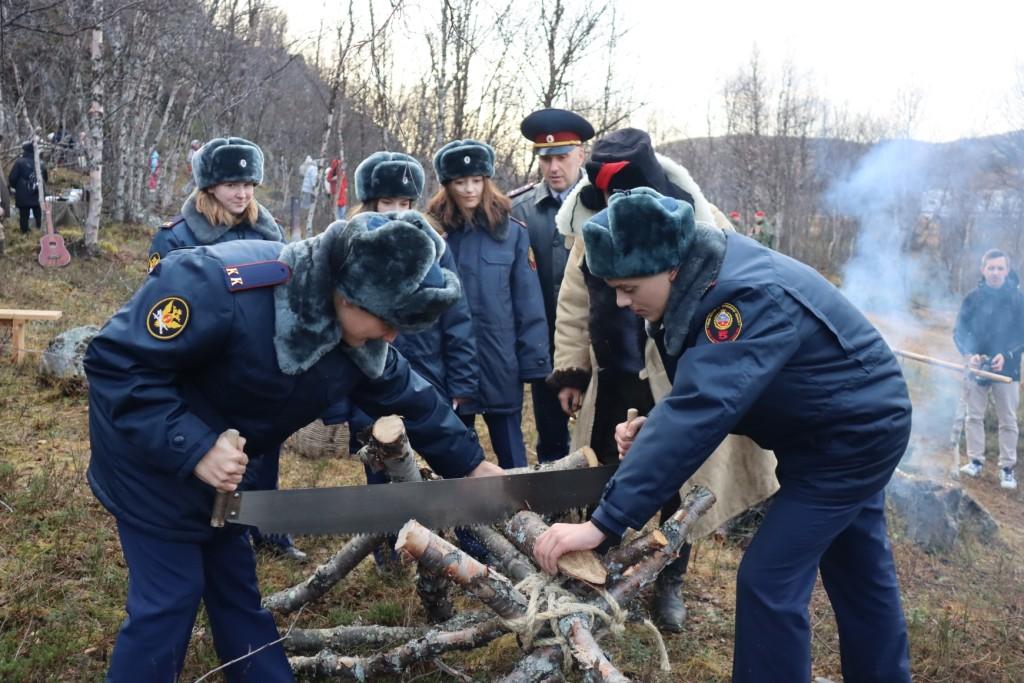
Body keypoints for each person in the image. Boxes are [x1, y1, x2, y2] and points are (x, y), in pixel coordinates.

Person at [84, 212, 504, 682]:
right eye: (387, 321)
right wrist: (196, 447)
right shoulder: (215, 285)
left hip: (228, 471)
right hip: (148, 460)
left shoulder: (358, 331)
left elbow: (411, 397)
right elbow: (114, 364)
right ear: (346, 295)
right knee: (169, 601)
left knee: (236, 593)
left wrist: (471, 467)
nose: (391, 336)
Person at [533, 188, 913, 682]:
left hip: (851, 438)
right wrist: (655, 432)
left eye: (628, 287)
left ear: (669, 266)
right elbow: (713, 385)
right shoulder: (700, 279)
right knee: (860, 573)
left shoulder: (744, 298)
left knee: (767, 579)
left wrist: (602, 524)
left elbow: (704, 406)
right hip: (831, 427)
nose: (622, 302)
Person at [546, 128, 777, 631]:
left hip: (673, 379)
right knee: (603, 468)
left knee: (677, 476)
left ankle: (669, 578)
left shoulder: (697, 218)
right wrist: (572, 369)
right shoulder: (589, 225)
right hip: (611, 377)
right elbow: (574, 303)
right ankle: (595, 572)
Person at [147, 137, 305, 561]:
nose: (243, 193)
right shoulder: (176, 238)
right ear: (209, 186)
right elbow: (161, 311)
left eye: (249, 183)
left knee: (263, 449)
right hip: (204, 366)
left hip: (261, 362)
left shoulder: (268, 232)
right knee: (209, 453)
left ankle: (266, 528)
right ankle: (204, 530)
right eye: (232, 184)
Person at [345, 151, 479, 576]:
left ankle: (434, 543)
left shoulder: (432, 244)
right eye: (388, 204)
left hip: (429, 371)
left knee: (431, 460)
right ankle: (386, 544)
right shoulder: (350, 241)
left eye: (406, 204)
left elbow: (457, 314)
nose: (398, 213)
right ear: (370, 204)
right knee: (379, 462)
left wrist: (461, 379)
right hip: (370, 373)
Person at [427, 139, 550, 469]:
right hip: (452, 361)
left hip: (500, 359)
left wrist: (533, 362)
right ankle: (466, 521)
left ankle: (523, 515)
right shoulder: (432, 233)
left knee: (513, 455)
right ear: (447, 186)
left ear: (487, 181)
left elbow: (528, 302)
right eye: (460, 182)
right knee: (458, 454)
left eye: (476, 180)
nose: (469, 189)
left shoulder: (512, 233)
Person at [510, 108, 594, 463]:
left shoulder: (603, 204)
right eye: (546, 159)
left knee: (600, 438)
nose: (554, 168)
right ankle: (553, 511)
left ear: (580, 154)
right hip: (544, 347)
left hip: (598, 345)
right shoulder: (520, 210)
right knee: (551, 443)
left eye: (562, 157)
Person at [954, 248, 1024, 490]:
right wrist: (969, 354)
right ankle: (975, 460)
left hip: (1008, 370)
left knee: (1008, 420)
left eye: (1000, 268)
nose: (995, 272)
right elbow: (959, 332)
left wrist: (1007, 355)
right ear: (983, 270)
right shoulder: (972, 299)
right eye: (991, 268)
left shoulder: (1018, 300)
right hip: (977, 367)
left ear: (1007, 270)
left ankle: (1007, 469)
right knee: (973, 416)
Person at [7, 141, 48, 233]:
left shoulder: (19, 162)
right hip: (38, 194)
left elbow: (12, 178)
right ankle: (41, 234)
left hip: (23, 194)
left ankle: (24, 235)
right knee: (39, 215)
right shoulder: (41, 163)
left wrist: (17, 187)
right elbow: (45, 178)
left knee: (24, 216)